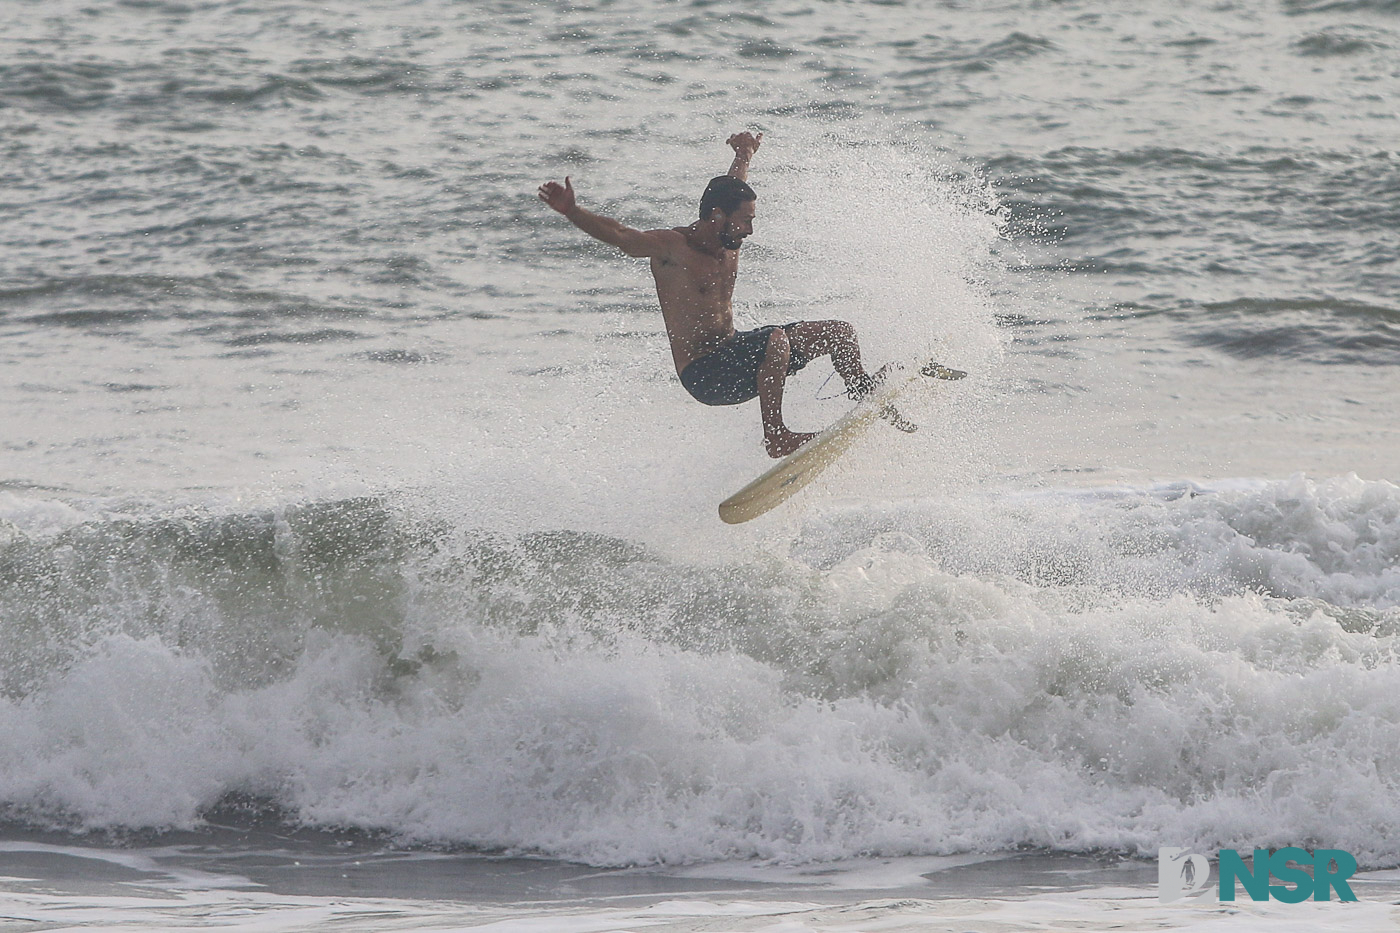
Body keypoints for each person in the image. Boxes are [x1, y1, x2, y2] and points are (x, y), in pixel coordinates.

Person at [537, 132, 881, 458]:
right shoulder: (673, 249)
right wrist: (572, 211)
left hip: (736, 352)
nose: (749, 230)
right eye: (744, 221)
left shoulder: (728, 238)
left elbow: (731, 188)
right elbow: (622, 236)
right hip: (705, 375)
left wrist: (743, 153)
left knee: (840, 333)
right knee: (775, 338)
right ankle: (776, 436)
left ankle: (863, 390)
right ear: (717, 216)